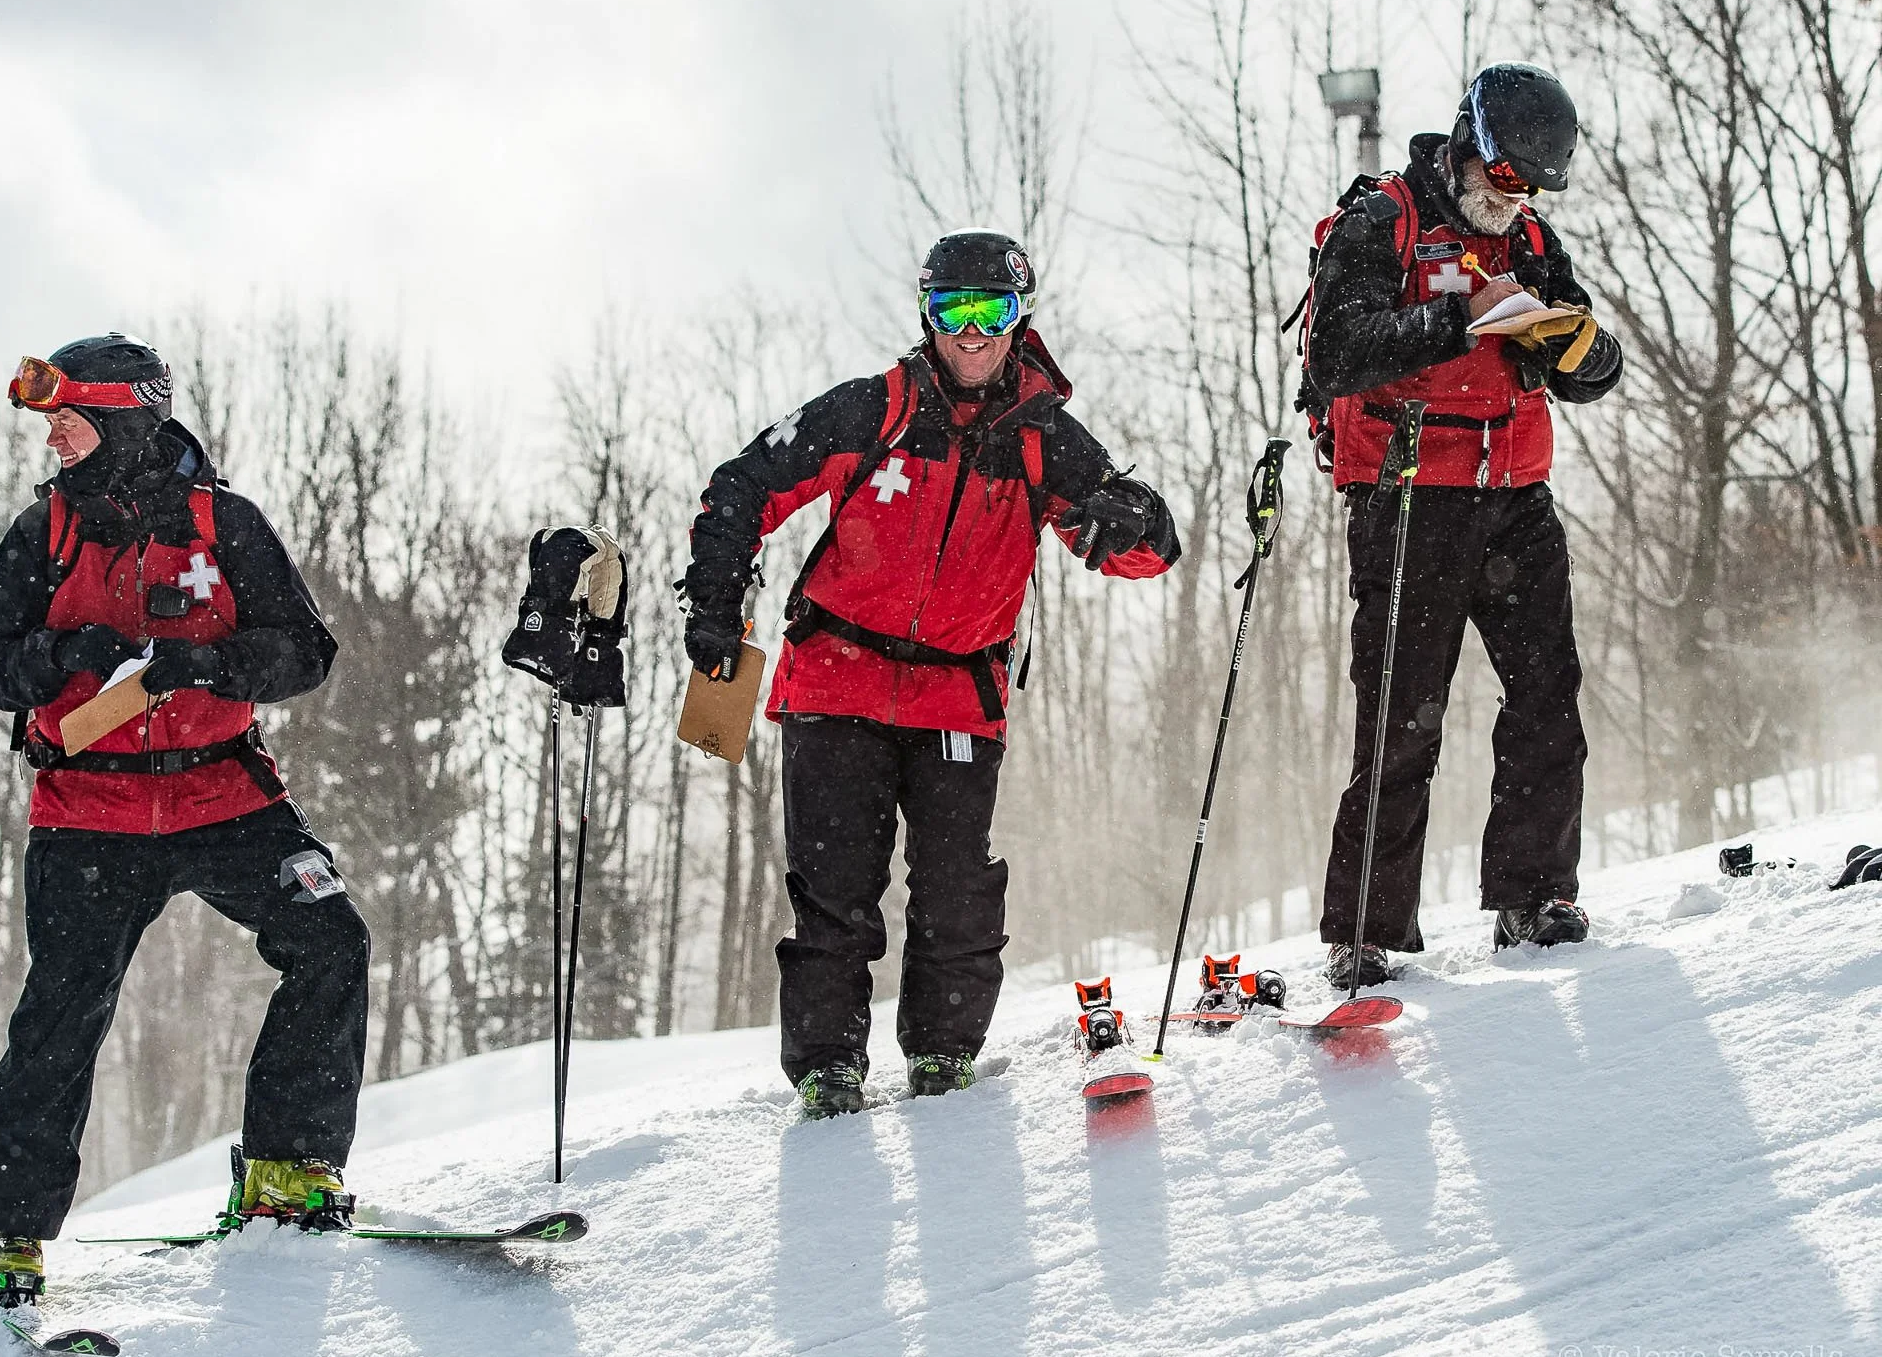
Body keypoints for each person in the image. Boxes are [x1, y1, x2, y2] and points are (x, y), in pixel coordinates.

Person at [680, 230, 1179, 1117]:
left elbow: (1145, 553)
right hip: (837, 680)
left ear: (1022, 319)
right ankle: (830, 1069)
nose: (974, 333)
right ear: (928, 315)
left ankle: (945, 1058)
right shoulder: (872, 409)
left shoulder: (1042, 439)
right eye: (956, 311)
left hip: (959, 693)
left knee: (956, 890)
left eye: (996, 311)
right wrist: (717, 605)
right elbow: (741, 487)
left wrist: (1130, 516)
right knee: (836, 892)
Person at [0, 335, 369, 1305]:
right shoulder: (42, 529)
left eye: (69, 420)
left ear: (124, 421)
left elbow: (305, 653)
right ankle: (12, 1235)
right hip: (86, 812)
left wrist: (208, 666)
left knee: (330, 939)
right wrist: (64, 653)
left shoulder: (223, 522)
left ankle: (289, 1171)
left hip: (225, 797)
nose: (53, 438)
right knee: (63, 1008)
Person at [1301, 62, 1623, 989]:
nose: (1514, 198)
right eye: (1506, 176)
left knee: (1548, 697)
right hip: (1409, 497)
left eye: (1533, 186)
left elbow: (1588, 359)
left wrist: (1582, 353)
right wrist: (1457, 319)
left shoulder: (1530, 238)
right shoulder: (1381, 221)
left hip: (1518, 494)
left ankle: (1535, 894)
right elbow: (1336, 355)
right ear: (1470, 144)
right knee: (1403, 717)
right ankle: (1366, 930)